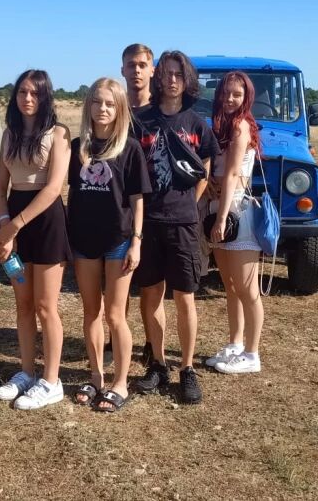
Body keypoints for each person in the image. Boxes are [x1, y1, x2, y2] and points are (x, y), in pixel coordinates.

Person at [131, 50, 218, 404]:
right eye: (165, 73)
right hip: (148, 222)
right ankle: (158, 363)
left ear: (187, 79)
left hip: (183, 223)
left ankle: (187, 368)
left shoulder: (196, 124)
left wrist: (189, 203)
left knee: (185, 297)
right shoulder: (140, 121)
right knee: (151, 295)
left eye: (177, 74)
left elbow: (205, 168)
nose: (171, 80)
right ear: (157, 77)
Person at [68, 77, 150, 412]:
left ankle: (120, 383)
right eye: (97, 102)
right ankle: (96, 376)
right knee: (91, 312)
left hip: (118, 240)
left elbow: (138, 200)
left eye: (110, 104)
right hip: (84, 240)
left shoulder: (130, 149)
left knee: (115, 315)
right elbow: (70, 190)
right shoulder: (78, 147)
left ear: (120, 109)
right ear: (88, 105)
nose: (102, 109)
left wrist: (136, 242)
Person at [0, 69, 71, 411]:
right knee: (23, 304)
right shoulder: (9, 135)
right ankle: (26, 372)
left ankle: (51, 381)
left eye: (35, 93)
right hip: (14, 222)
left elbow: (54, 188)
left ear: (45, 97)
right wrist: (4, 226)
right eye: (22, 92)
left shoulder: (59, 133)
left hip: (46, 222)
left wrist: (15, 226)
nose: (28, 98)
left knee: (45, 306)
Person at [205, 71, 264, 374]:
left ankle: (252, 354)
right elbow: (216, 171)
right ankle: (235, 343)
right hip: (221, 208)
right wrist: (208, 183)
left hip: (237, 213)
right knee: (230, 285)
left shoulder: (241, 126)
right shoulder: (221, 126)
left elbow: (231, 174)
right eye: (225, 93)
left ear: (246, 97)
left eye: (236, 95)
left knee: (247, 289)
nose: (229, 99)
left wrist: (220, 217)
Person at [119, 43, 155, 361]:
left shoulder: (162, 113)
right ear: (123, 70)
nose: (137, 71)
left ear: (152, 70)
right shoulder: (117, 110)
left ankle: (152, 343)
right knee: (119, 280)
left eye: (142, 65)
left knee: (151, 286)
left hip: (156, 208)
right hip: (120, 207)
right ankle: (117, 338)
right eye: (131, 65)